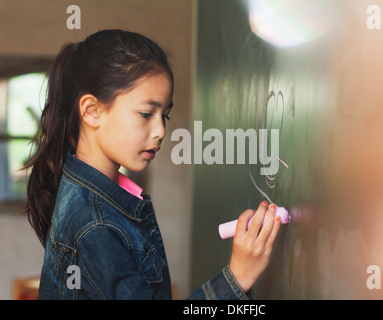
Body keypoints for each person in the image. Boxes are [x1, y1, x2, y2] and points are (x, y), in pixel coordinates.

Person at [23, 29, 281, 300]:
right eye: (146, 114)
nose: (160, 130)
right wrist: (238, 276)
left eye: (164, 117)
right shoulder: (96, 226)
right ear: (91, 111)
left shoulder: (100, 198)